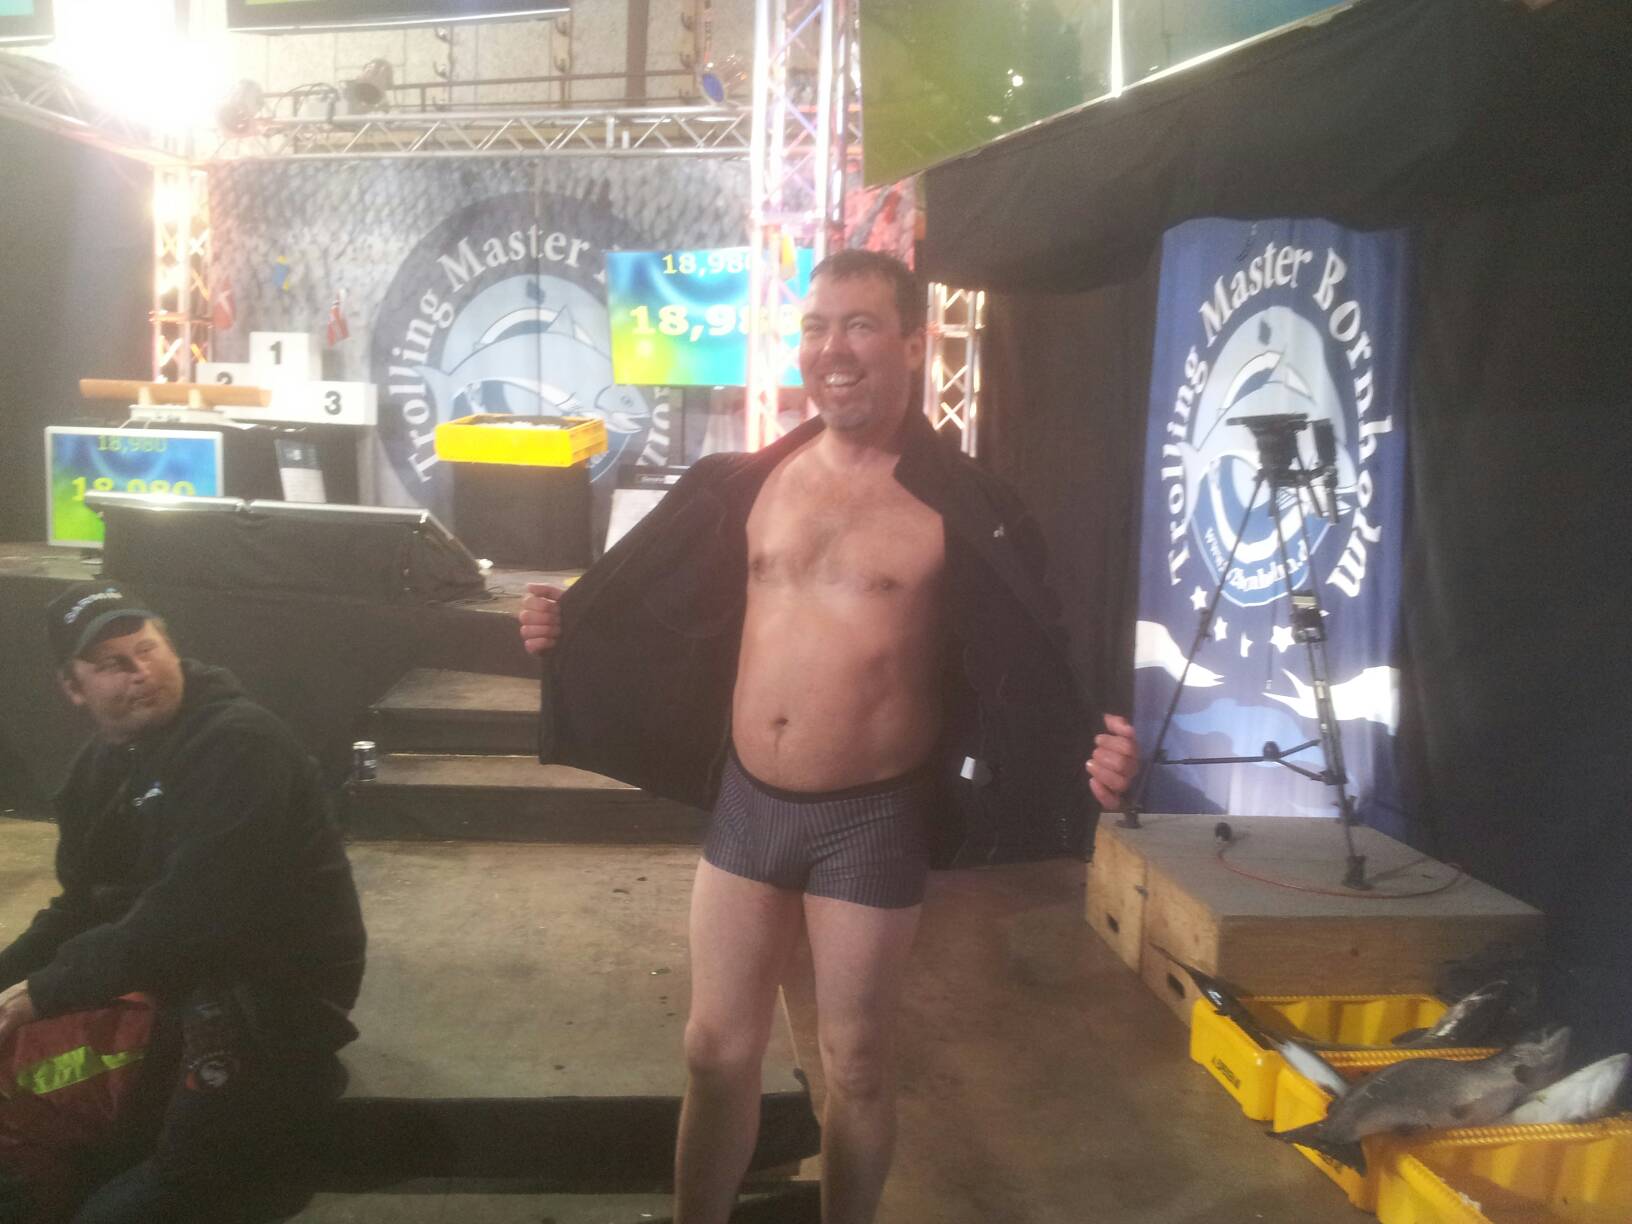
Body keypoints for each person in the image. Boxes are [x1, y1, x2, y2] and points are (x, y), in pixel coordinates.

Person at [518, 249, 1138, 1224]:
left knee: (856, 1065)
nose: (832, 349)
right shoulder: (746, 483)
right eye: (815, 327)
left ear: (913, 344)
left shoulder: (962, 510)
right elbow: (659, 607)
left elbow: (1037, 654)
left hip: (870, 819)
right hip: (748, 803)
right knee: (713, 1049)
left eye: (859, 325)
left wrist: (1091, 752)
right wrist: (567, 627)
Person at [0, 583, 367, 1223]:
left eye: (147, 649)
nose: (139, 672)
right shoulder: (98, 770)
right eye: (111, 663)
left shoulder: (240, 744)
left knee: (145, 1200)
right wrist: (11, 980)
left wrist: (45, 992)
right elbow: (81, 906)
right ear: (73, 687)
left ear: (172, 650)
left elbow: (196, 913)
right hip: (171, 977)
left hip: (269, 991)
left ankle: (285, 1089)